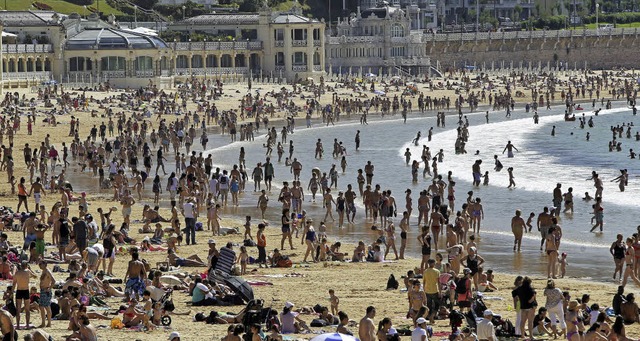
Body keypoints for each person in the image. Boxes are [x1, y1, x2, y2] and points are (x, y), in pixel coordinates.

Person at [13, 262, 30, 330]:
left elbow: (14, 283)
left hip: (19, 291)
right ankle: (27, 325)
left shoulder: (17, 273)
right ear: (26, 265)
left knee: (18, 309)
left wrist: (11, 292)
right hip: (26, 290)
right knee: (27, 309)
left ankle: (17, 325)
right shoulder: (28, 271)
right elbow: (35, 276)